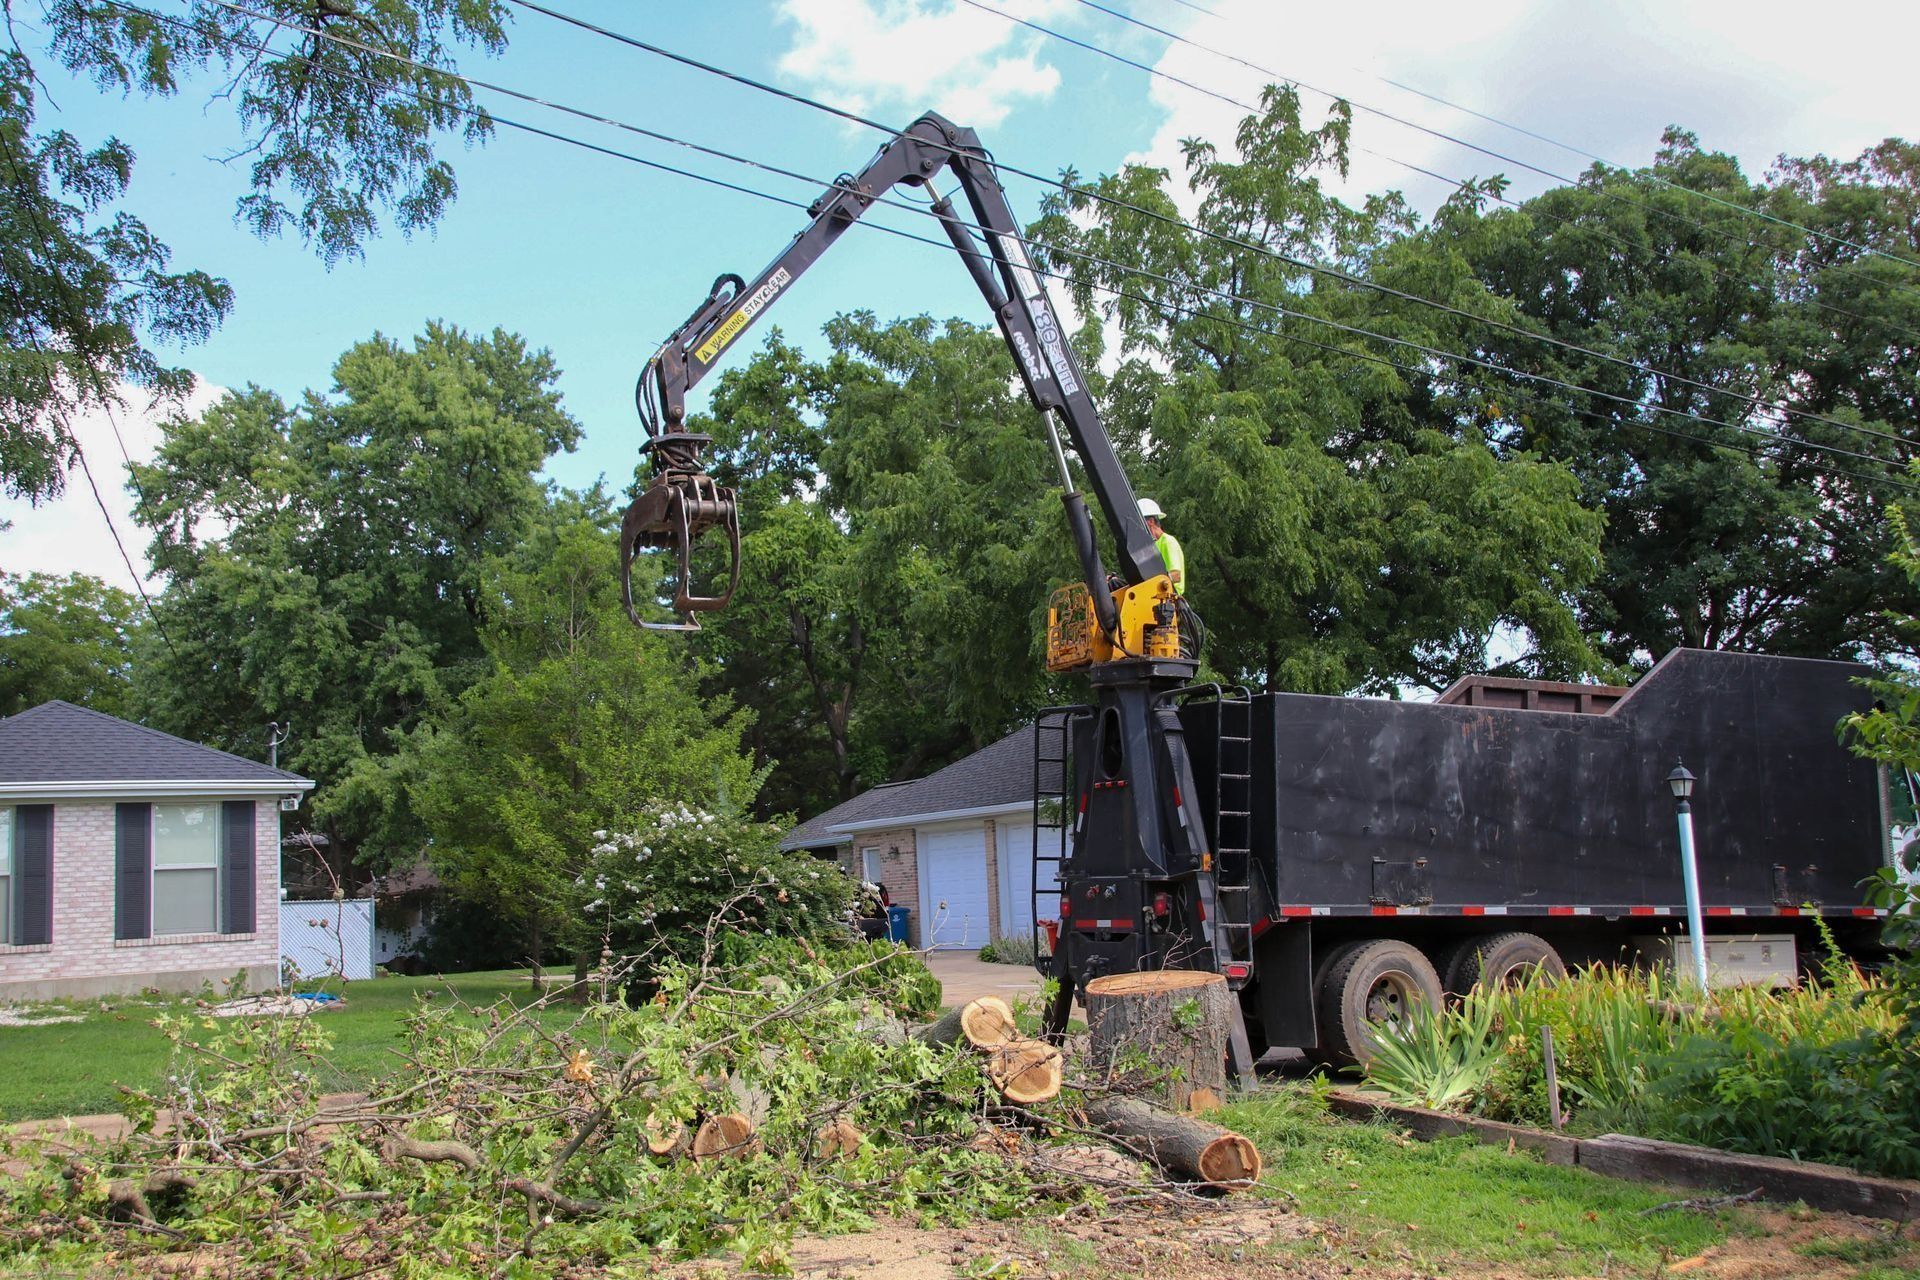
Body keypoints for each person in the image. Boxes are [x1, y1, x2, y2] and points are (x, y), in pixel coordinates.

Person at [1138, 498, 1184, 595]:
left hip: (1170, 596)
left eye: (1140, 523)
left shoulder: (1168, 542)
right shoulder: (1153, 545)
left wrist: (1155, 583)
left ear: (1150, 521)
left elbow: (1176, 576)